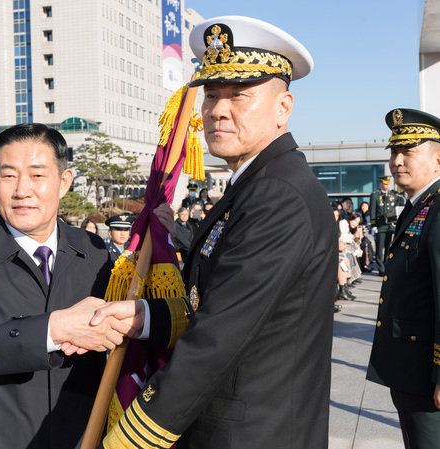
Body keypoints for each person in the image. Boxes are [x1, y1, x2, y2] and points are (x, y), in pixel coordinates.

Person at [93, 16, 337, 448]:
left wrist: (127, 440)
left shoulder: (279, 195)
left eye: (239, 95)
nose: (218, 110)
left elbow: (222, 334)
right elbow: (218, 300)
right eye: (211, 95)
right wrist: (145, 317)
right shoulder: (255, 184)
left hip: (254, 432)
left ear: (284, 107)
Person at [0, 123, 128, 449]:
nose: (22, 190)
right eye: (8, 176)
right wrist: (57, 327)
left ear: (64, 182)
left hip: (77, 429)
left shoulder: (92, 250)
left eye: (37, 175)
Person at [367, 108, 440, 449]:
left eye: (408, 152)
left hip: (428, 375)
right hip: (412, 373)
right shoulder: (417, 206)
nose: (397, 161)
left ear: (438, 160)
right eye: (394, 152)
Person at [370, 175, 400, 275]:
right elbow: (373, 210)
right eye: (385, 184)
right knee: (379, 248)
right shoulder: (375, 195)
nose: (387, 186)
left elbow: (397, 208)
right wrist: (373, 225)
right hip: (380, 225)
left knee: (389, 248)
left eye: (388, 184)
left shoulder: (394, 194)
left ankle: (386, 267)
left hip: (391, 225)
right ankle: (381, 269)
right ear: (381, 184)